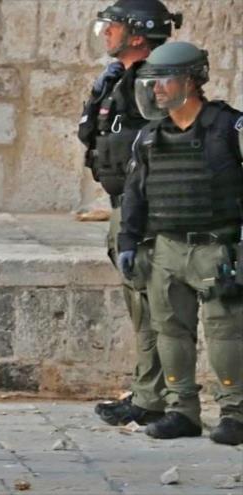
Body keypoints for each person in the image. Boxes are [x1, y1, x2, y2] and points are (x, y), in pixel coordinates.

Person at [119, 41, 243, 445]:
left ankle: (234, 412)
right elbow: (135, 194)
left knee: (225, 333)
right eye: (150, 82)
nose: (155, 90)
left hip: (217, 248)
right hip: (166, 249)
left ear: (190, 81)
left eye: (163, 80)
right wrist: (128, 242)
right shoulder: (151, 137)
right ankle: (181, 411)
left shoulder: (229, 128)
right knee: (170, 331)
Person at [78, 0, 181, 427]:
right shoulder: (119, 80)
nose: (106, 33)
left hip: (146, 208)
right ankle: (148, 393)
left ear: (137, 35)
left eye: (114, 27)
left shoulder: (156, 83)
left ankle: (158, 399)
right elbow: (92, 132)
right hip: (123, 204)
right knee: (140, 304)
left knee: (154, 305)